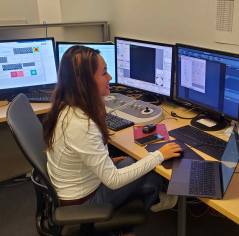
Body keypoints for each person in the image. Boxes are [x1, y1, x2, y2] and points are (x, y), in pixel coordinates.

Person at [42, 46, 181, 217]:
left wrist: (107, 161)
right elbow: (113, 181)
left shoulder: (66, 106)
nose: (110, 77)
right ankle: (123, 227)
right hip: (83, 201)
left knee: (133, 162)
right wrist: (159, 155)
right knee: (154, 180)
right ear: (83, 80)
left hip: (74, 187)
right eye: (104, 73)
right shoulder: (80, 124)